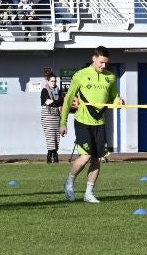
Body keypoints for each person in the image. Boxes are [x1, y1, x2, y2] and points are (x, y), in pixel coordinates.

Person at [61, 47, 120, 204]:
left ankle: (89, 192)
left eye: (106, 63)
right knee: (85, 156)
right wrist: (63, 122)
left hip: (100, 122)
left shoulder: (111, 77)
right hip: (82, 121)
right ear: (94, 58)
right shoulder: (80, 75)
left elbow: (114, 97)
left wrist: (118, 102)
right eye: (101, 62)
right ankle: (69, 184)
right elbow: (68, 100)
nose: (103, 66)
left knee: (97, 159)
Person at [40, 68, 63, 162]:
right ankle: (50, 154)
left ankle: (55, 153)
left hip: (57, 115)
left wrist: (53, 101)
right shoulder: (44, 90)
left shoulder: (59, 90)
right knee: (50, 136)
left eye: (54, 81)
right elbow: (46, 102)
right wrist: (56, 102)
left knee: (57, 136)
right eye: (51, 81)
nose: (53, 83)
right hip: (47, 116)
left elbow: (61, 101)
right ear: (48, 81)